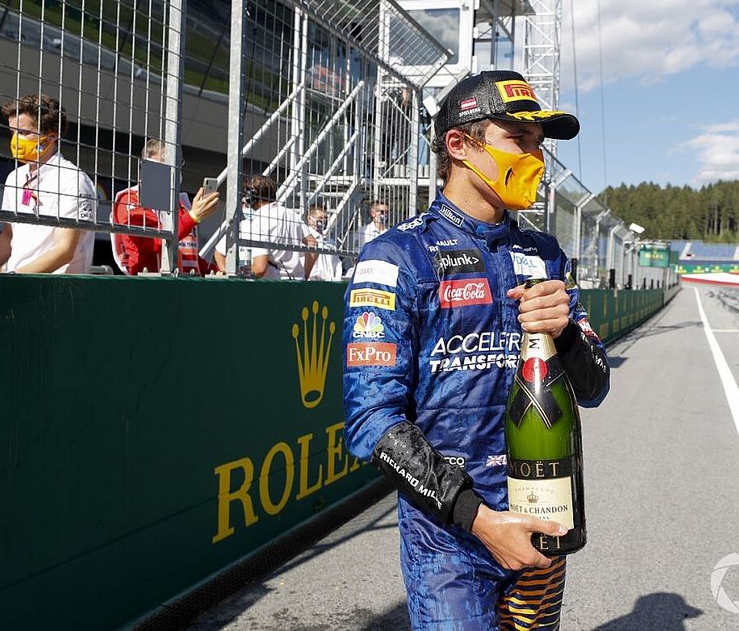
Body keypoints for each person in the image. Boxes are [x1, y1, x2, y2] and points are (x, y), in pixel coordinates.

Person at [343, 70, 610, 630]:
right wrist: (480, 519)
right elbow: (371, 420)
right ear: (459, 145)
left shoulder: (545, 253)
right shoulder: (396, 256)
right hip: (449, 538)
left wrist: (565, 332)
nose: (536, 158)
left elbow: (594, 387)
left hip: (545, 520)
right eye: (519, 139)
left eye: (540, 144)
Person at [0, 94, 95, 274]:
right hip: (19, 282)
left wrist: (16, 279)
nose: (15, 140)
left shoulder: (73, 180)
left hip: (56, 286)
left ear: (52, 136)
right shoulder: (15, 178)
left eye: (24, 133)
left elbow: (64, 250)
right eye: (13, 132)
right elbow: (8, 236)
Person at [111, 139, 220, 275]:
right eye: (166, 161)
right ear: (148, 164)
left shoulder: (181, 203)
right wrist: (192, 217)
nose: (175, 168)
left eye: (178, 162)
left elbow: (188, 255)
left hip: (185, 283)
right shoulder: (130, 199)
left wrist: (215, 271)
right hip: (150, 283)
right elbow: (151, 242)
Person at [214, 174, 314, 279]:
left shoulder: (253, 223)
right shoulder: (293, 215)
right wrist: (305, 274)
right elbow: (312, 244)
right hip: (297, 281)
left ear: (250, 197)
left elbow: (259, 268)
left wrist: (230, 274)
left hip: (269, 284)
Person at [305, 205, 342, 281]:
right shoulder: (305, 239)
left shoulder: (330, 242)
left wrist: (337, 279)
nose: (324, 221)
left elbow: (337, 264)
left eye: (325, 218)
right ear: (309, 219)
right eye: (320, 218)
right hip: (314, 282)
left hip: (331, 282)